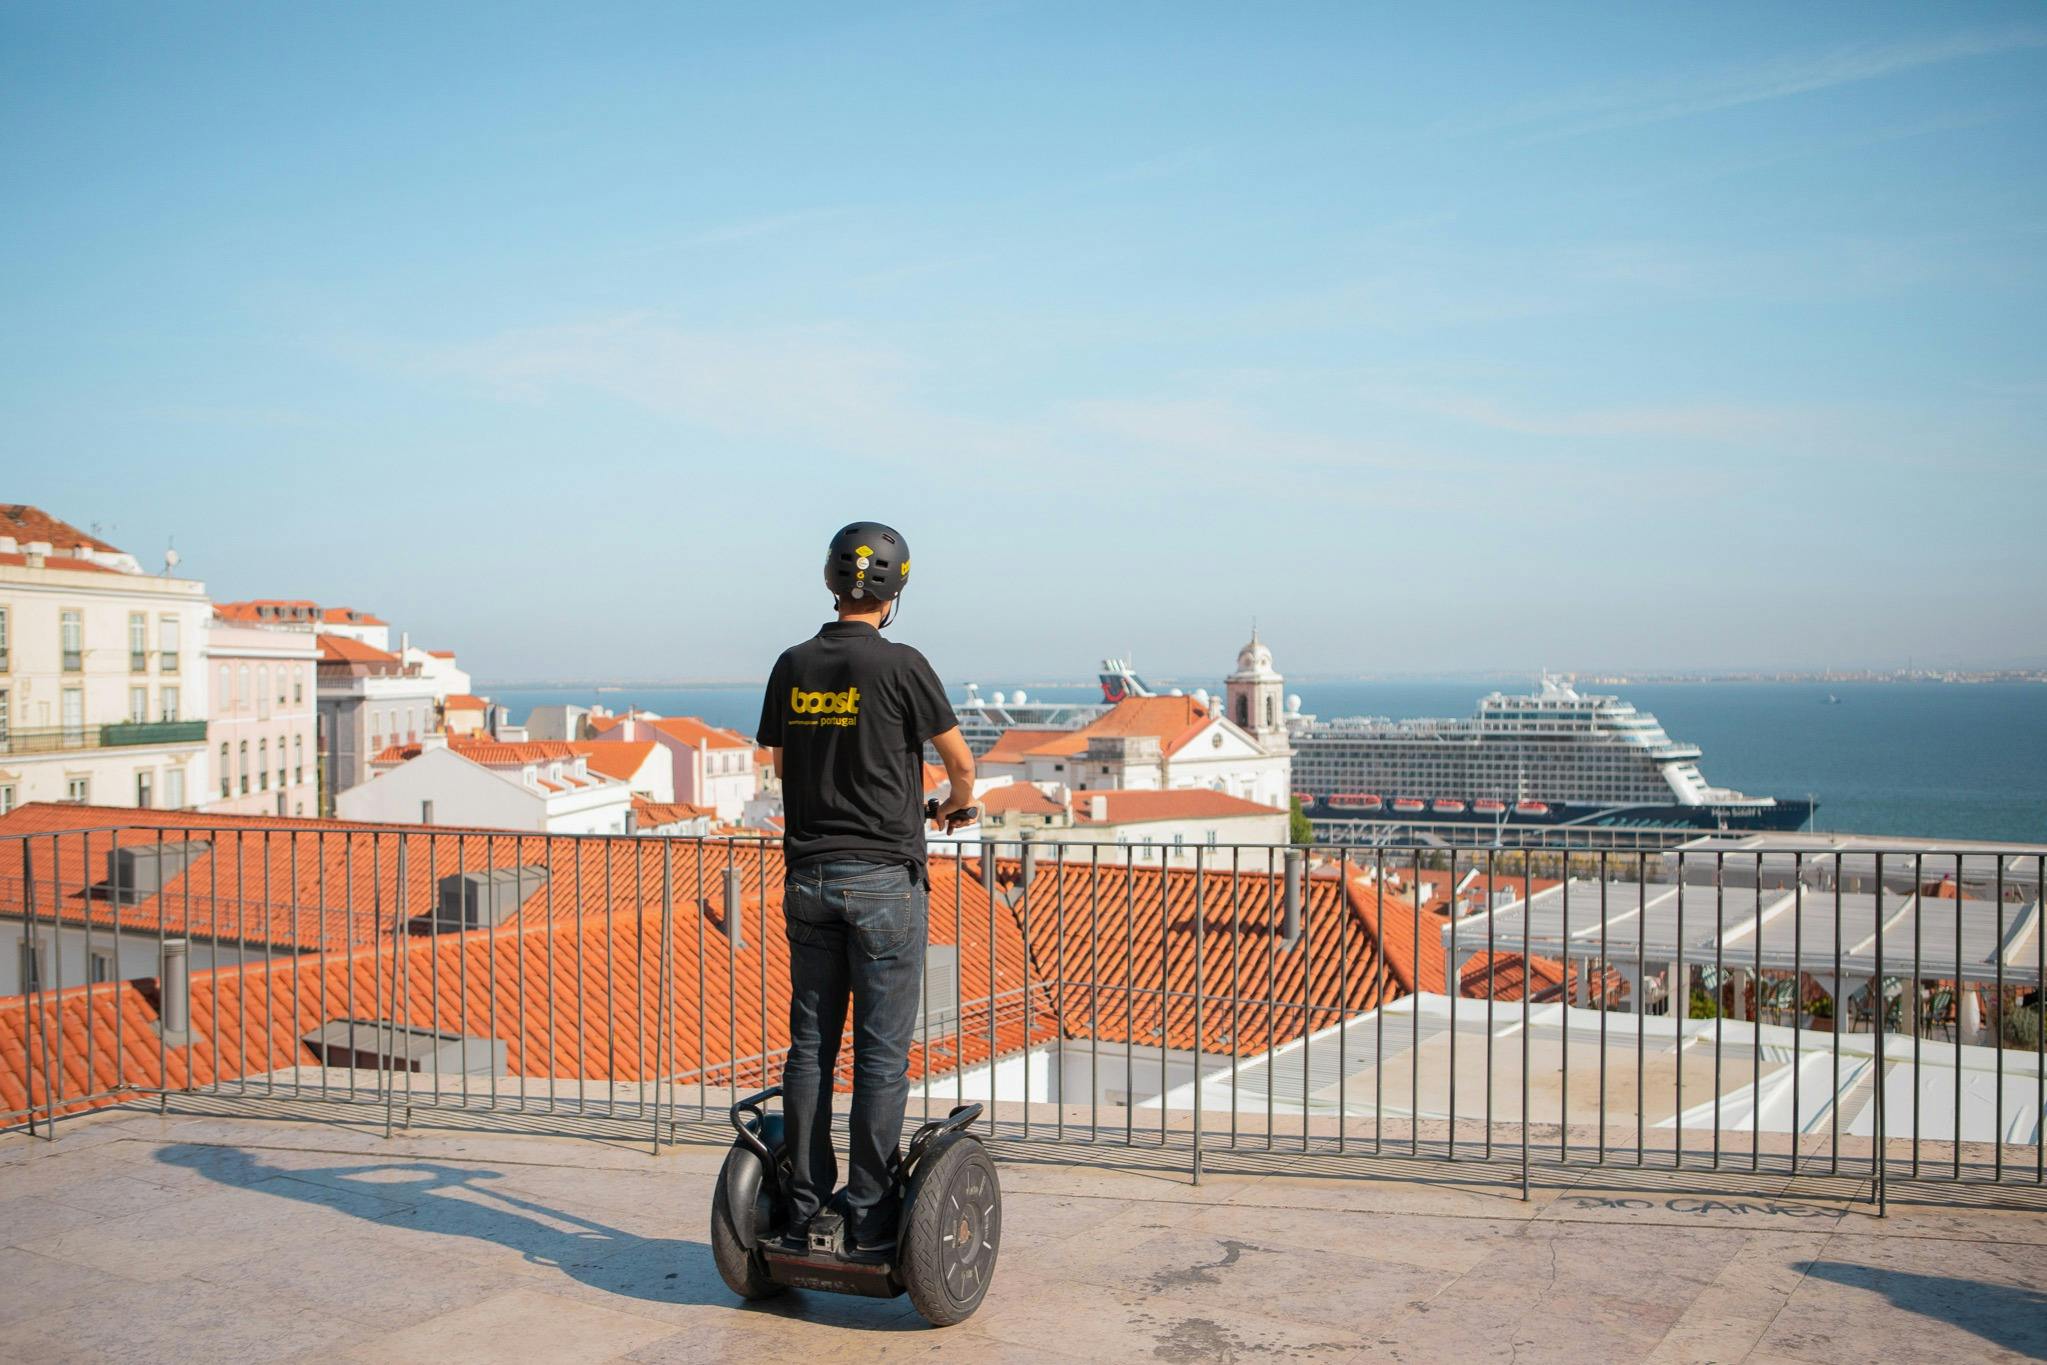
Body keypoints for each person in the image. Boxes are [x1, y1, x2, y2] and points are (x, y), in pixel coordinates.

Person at [756, 521, 977, 1254]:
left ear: (829, 580)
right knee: (881, 1055)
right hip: (884, 880)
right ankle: (871, 1214)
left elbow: (782, 762)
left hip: (808, 877)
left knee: (809, 1047)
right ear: (895, 591)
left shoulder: (791, 663)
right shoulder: (904, 664)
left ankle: (803, 1207)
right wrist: (948, 806)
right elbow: (962, 767)